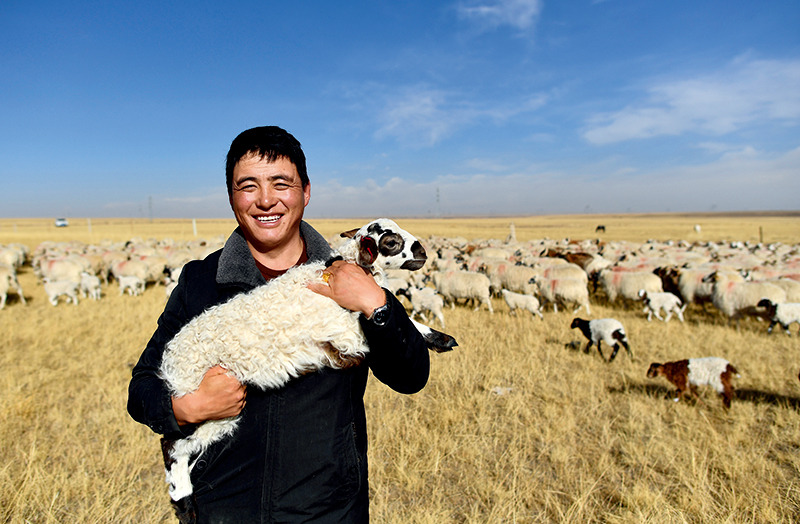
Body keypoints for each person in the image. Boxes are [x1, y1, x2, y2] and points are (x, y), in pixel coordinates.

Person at [127, 126, 430, 523]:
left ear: (306, 192)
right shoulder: (201, 281)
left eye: (281, 183)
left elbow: (411, 377)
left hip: (328, 511)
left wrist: (377, 304)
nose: (266, 200)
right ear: (232, 197)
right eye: (248, 186)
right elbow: (142, 388)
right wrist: (186, 408)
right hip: (224, 511)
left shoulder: (350, 278)